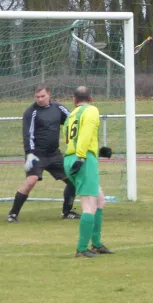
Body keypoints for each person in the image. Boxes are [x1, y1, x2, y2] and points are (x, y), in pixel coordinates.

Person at [7, 85, 78, 223]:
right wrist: (29, 154)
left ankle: (67, 212)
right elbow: (28, 134)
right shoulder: (31, 112)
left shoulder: (58, 108)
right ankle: (13, 214)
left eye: (42, 96)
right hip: (37, 155)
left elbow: (72, 121)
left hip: (54, 154)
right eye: (37, 97)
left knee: (73, 182)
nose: (40, 99)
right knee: (31, 181)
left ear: (49, 95)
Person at [63, 86, 114, 258]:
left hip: (71, 157)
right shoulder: (91, 110)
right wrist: (82, 157)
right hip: (82, 159)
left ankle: (97, 244)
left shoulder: (70, 116)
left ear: (74, 101)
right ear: (91, 99)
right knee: (89, 205)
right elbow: (85, 134)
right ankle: (82, 248)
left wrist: (98, 151)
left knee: (100, 200)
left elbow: (70, 138)